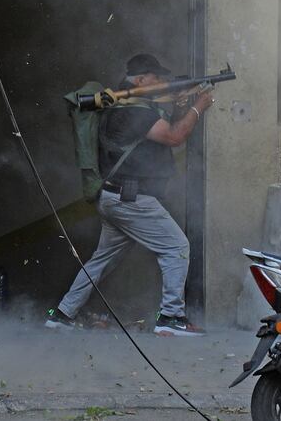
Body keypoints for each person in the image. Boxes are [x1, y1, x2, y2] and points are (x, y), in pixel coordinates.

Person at [45, 53, 214, 337]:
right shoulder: (133, 109)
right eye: (156, 78)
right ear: (141, 79)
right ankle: (171, 318)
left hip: (116, 198)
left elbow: (156, 137)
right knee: (176, 247)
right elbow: (173, 137)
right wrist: (198, 106)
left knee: (102, 260)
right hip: (131, 199)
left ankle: (62, 314)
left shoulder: (124, 104)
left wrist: (182, 104)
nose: (161, 83)